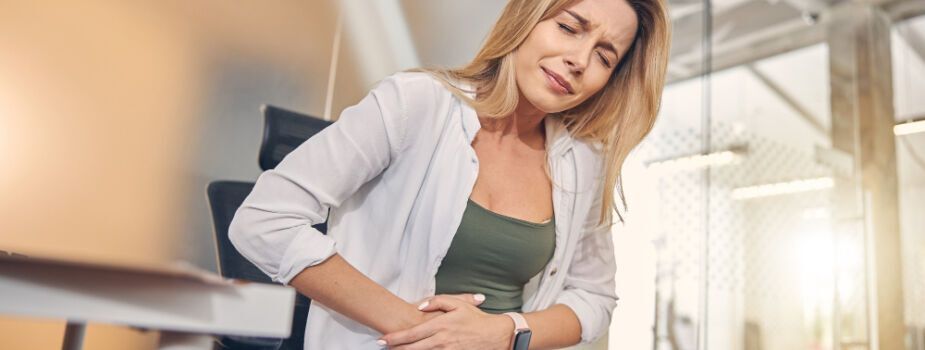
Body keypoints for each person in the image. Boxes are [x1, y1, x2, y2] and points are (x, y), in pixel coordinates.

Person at [228, 0, 670, 348]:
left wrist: (503, 332)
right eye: (569, 28)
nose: (579, 59)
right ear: (526, 18)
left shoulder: (584, 163)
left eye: (604, 57)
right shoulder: (415, 104)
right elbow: (265, 220)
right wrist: (422, 329)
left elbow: (594, 296)